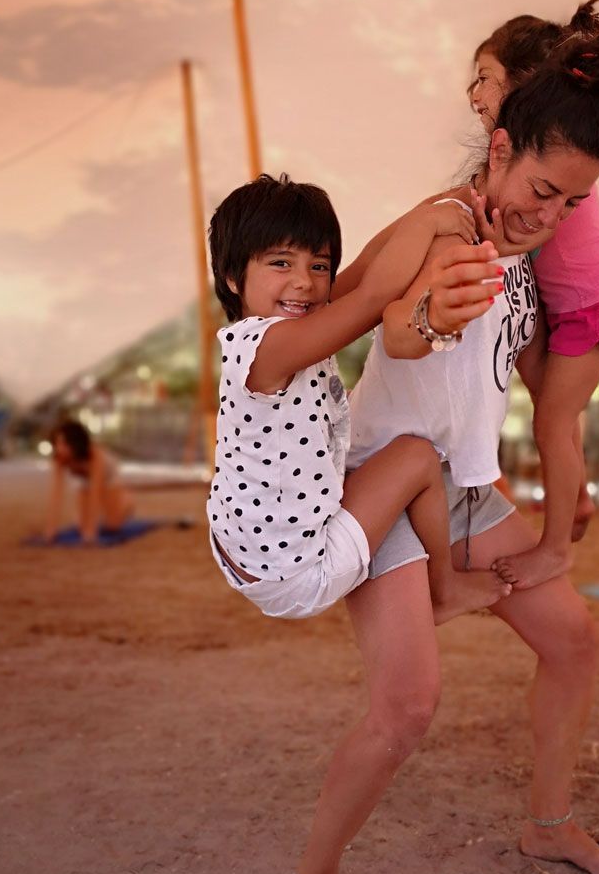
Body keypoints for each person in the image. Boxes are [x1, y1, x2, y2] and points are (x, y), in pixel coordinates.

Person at [279, 22, 599, 874]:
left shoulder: (526, 247)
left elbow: (534, 374)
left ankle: (548, 824)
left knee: (574, 641)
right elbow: (385, 321)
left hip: (467, 490)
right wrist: (428, 317)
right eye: (542, 189)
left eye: (573, 203)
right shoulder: (446, 224)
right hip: (387, 480)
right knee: (408, 706)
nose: (549, 214)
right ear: (501, 149)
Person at [205, 174, 510, 623]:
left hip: (246, 545)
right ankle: (444, 589)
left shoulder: (295, 326)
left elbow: (368, 265)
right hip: (299, 572)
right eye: (281, 263)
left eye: (319, 266)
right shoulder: (266, 347)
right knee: (418, 456)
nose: (304, 282)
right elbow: (373, 295)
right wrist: (429, 222)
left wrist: (436, 205)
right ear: (233, 277)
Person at [468, 0, 599, 590]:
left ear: (524, 86)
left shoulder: (554, 158)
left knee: (551, 423)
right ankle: (576, 502)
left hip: (592, 308)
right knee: (554, 408)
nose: (473, 95)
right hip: (571, 302)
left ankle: (555, 550)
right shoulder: (526, 156)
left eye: (485, 78)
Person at [43, 418, 135, 543]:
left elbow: (95, 493)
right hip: (84, 480)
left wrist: (91, 530)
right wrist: (51, 528)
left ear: (75, 443)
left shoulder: (95, 455)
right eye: (57, 443)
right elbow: (56, 494)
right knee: (81, 526)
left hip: (108, 477)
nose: (59, 448)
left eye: (64, 444)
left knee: (113, 525)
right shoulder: (58, 459)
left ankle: (126, 501)